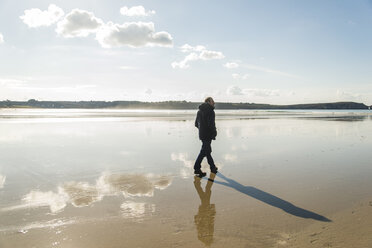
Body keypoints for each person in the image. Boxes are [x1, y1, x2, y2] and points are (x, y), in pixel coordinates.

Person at [194, 97, 218, 177]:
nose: (214, 102)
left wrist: (202, 130)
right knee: (204, 151)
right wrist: (214, 133)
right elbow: (211, 124)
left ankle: (213, 167)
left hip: (202, 134)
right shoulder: (211, 111)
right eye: (212, 101)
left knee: (207, 151)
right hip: (208, 135)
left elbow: (196, 124)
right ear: (208, 102)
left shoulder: (199, 111)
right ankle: (196, 168)